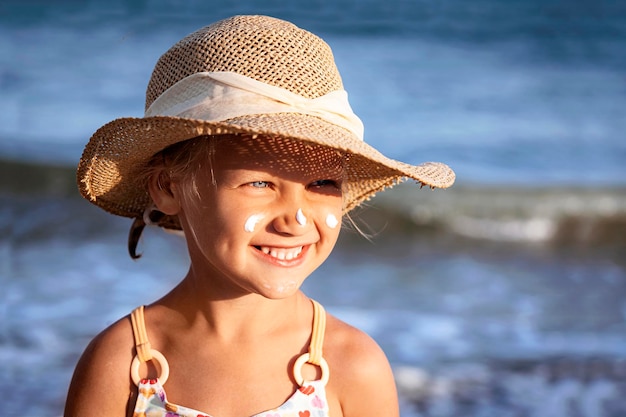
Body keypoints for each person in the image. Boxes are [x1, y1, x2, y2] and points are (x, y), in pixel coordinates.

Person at [64, 15, 455, 417]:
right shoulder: (122, 365)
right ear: (167, 187)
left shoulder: (352, 367)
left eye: (322, 183)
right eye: (259, 184)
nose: (296, 220)